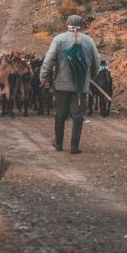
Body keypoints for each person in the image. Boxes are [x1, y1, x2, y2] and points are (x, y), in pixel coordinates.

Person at [40, 14, 101, 154]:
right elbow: (97, 62)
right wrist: (89, 77)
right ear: (82, 26)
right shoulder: (89, 40)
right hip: (80, 87)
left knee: (60, 114)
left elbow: (48, 61)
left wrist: (44, 79)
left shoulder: (58, 39)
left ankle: (59, 143)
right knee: (78, 116)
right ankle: (74, 147)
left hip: (61, 85)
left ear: (67, 24)